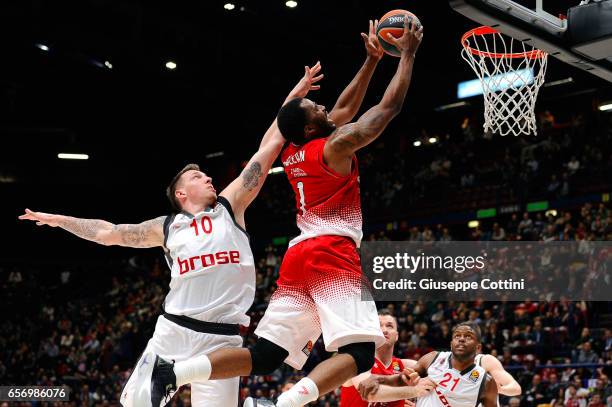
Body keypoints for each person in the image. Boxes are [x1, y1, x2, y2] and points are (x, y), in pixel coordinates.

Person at [138, 17, 424, 407]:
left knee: (265, 357)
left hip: (299, 256)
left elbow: (343, 107)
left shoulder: (295, 152)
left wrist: (372, 62)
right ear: (310, 127)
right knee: (358, 354)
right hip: (331, 252)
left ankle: (175, 372)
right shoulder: (334, 148)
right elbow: (386, 109)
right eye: (315, 107)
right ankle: (286, 404)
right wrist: (407, 55)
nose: (325, 106)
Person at [17, 63, 324, 407]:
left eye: (207, 175)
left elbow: (269, 145)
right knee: (135, 405)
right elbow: (108, 232)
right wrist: (61, 220)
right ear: (181, 194)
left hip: (222, 341)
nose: (208, 179)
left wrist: (295, 96)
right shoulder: (166, 226)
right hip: (173, 333)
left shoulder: (230, 207)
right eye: (198, 177)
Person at [359, 322, 507, 407]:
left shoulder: (486, 382)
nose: (461, 339)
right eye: (457, 336)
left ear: (478, 347)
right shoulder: (432, 359)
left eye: (468, 337)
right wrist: (377, 379)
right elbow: (400, 379)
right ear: (451, 344)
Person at [340, 310, 433, 406]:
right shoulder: (358, 360)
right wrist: (414, 391)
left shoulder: (404, 365)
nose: (384, 330)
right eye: (379, 326)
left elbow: (439, 371)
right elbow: (370, 393)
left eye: (389, 326)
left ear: (396, 336)